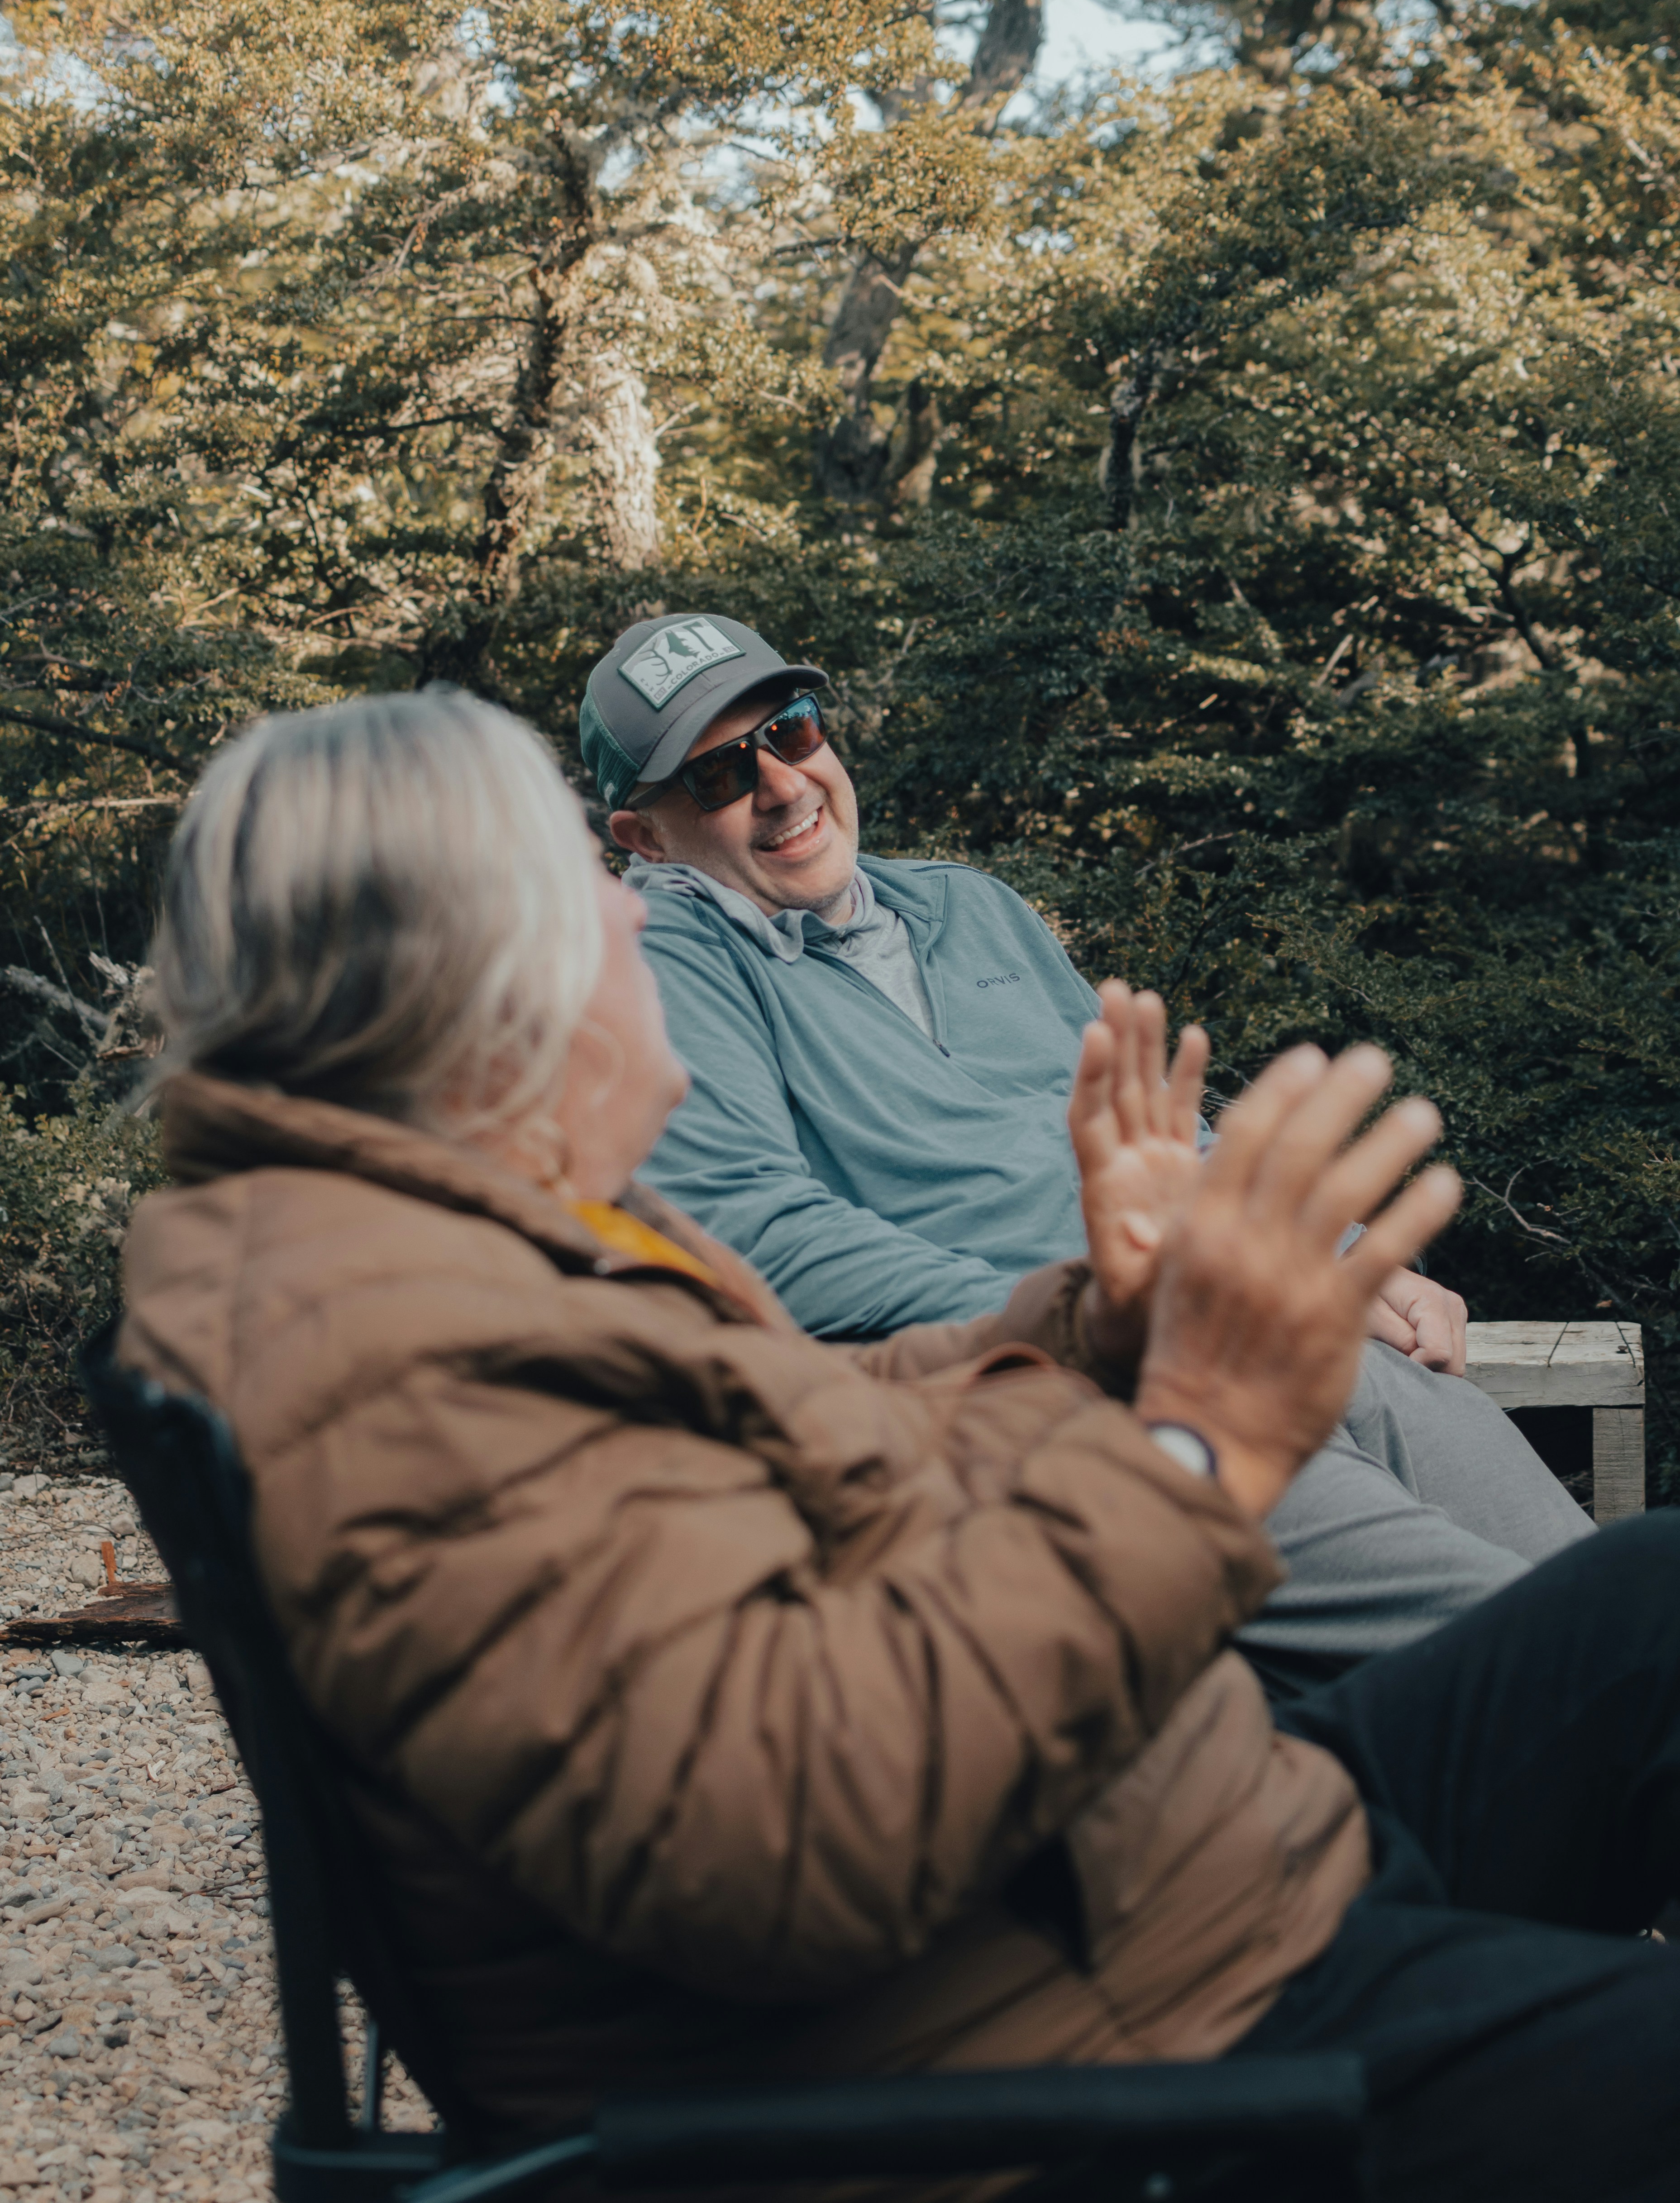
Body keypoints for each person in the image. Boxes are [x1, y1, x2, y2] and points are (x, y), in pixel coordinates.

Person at [118, 690, 1680, 2203]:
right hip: (1092, 2053)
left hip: (1148, 1860)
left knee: (1649, 1595)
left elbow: (839, 1424)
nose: (642, 916)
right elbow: (785, 1834)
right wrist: (1190, 1455)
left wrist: (1101, 1325)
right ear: (464, 962)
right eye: (593, 883)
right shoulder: (407, 1367)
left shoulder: (457, 1238)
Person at [582, 615, 1594, 1695]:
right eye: (719, 774)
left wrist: (1343, 1249)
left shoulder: (965, 906)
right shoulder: (672, 960)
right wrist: (1093, 1311)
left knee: (1606, 1588)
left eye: (791, 731)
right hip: (1074, 1405)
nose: (781, 785)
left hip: (1244, 1321)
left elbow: (1165, 1142)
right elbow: (750, 1234)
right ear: (644, 837)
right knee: (1554, 1660)